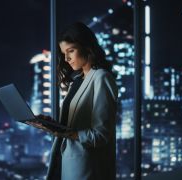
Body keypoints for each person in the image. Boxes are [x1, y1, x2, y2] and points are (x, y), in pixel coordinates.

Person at [28, 22, 118, 180]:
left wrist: (66, 132)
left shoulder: (101, 78)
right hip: (66, 162)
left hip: (87, 169)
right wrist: (53, 125)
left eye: (71, 51)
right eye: (64, 53)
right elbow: (75, 126)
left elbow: (101, 135)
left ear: (87, 47)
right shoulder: (76, 82)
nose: (67, 58)